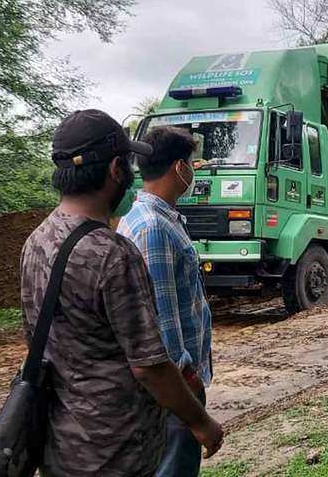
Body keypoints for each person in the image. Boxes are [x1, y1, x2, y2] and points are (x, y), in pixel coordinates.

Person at [20, 110, 224, 477]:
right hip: (115, 447)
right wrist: (201, 421)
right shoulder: (111, 253)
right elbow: (149, 365)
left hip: (60, 440)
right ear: (116, 169)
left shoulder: (36, 241)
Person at [118, 125, 213, 477]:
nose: (193, 170)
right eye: (192, 163)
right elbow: (162, 322)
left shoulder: (146, 218)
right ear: (179, 168)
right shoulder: (154, 228)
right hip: (176, 389)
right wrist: (189, 384)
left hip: (172, 386)